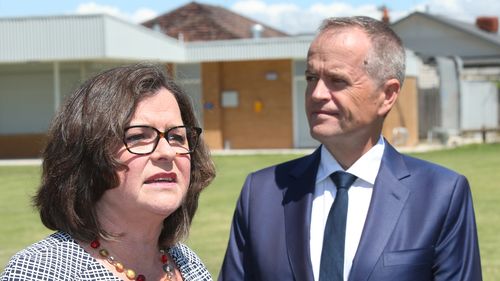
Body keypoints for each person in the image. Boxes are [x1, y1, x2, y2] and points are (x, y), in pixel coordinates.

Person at [219, 16, 482, 281]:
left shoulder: (440, 195)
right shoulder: (262, 193)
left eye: (337, 80)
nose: (316, 93)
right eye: (311, 77)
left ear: (387, 95)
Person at [1, 63, 216, 281]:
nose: (167, 152)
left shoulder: (188, 264)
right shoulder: (43, 273)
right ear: (88, 156)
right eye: (138, 136)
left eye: (177, 136)